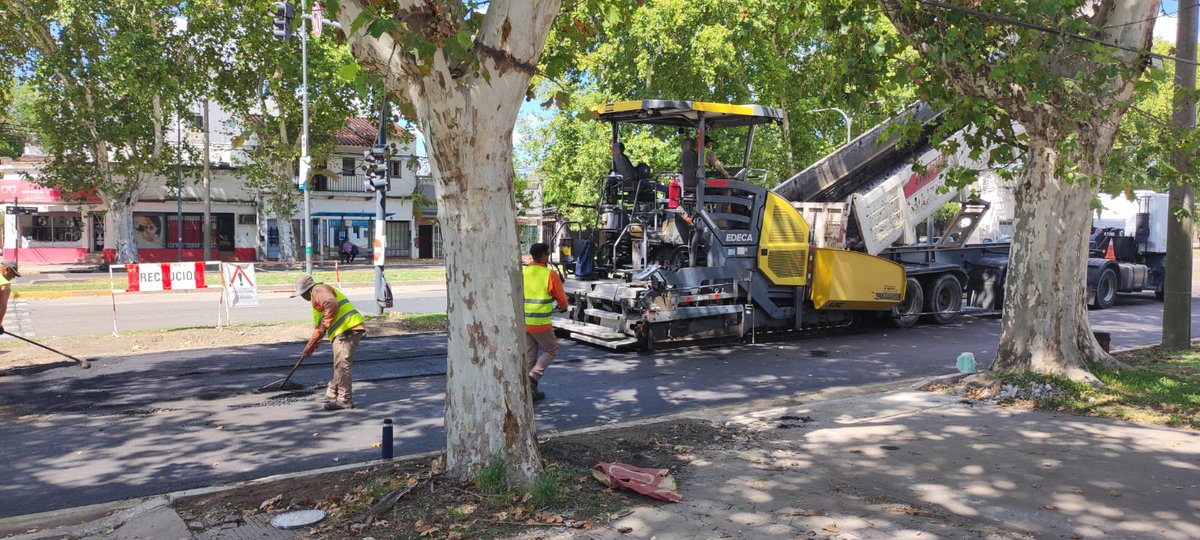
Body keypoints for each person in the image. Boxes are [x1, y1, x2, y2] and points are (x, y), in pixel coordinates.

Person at [292, 275, 366, 411]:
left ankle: (345, 399)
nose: (301, 297)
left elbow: (332, 305)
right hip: (343, 331)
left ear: (306, 290)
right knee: (339, 364)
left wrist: (324, 326)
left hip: (347, 329)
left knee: (342, 365)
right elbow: (318, 329)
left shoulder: (318, 290)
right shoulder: (316, 300)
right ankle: (332, 393)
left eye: (301, 294)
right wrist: (309, 348)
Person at [522, 243, 568, 402]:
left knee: (530, 355)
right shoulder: (550, 274)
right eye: (547, 254)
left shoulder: (525, 272)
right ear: (542, 256)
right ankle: (533, 378)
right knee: (551, 349)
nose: (548, 257)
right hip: (540, 322)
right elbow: (562, 298)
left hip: (525, 322)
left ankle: (527, 391)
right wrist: (564, 307)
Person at [0, 261, 19, 335]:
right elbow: (2, 306)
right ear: (7, 269)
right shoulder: (4, 284)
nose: (14, 277)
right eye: (13, 273)